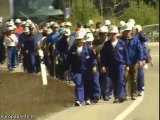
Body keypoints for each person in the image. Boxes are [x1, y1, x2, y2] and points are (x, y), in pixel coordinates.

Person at [66, 31, 97, 106]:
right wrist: (68, 69)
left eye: (80, 39)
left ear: (83, 39)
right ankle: (79, 100)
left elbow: (93, 58)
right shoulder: (72, 48)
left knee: (87, 84)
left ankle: (87, 98)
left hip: (87, 69)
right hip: (77, 70)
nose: (79, 41)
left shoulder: (88, 48)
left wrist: (94, 66)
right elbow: (68, 59)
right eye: (78, 39)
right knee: (79, 83)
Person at [101, 25, 129, 103]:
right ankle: (117, 96)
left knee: (120, 79)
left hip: (120, 64)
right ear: (109, 34)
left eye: (114, 33)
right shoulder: (107, 44)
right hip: (111, 65)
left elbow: (125, 54)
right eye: (111, 34)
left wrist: (127, 65)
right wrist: (103, 65)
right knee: (114, 81)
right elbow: (103, 56)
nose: (113, 35)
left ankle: (121, 95)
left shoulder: (121, 43)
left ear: (117, 34)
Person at [120, 23, 144, 100]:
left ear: (131, 31)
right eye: (126, 31)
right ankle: (126, 94)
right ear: (123, 32)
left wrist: (141, 59)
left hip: (134, 62)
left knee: (133, 78)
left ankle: (133, 93)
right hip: (125, 63)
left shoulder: (135, 40)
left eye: (129, 31)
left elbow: (140, 50)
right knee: (126, 78)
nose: (127, 32)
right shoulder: (120, 40)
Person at [93, 26, 111, 101]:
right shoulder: (95, 42)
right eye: (101, 34)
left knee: (106, 79)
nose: (103, 36)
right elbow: (92, 51)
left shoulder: (109, 43)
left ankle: (106, 94)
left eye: (104, 34)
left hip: (106, 64)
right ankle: (97, 95)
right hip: (97, 64)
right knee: (97, 79)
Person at [84, 32, 101, 103]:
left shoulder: (95, 48)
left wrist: (97, 65)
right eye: (87, 41)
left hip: (94, 67)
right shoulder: (83, 48)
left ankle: (97, 95)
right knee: (88, 83)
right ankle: (89, 96)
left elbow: (98, 57)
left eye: (90, 41)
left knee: (95, 81)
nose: (89, 42)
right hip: (86, 68)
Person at [134, 24, 148, 96]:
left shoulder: (141, 37)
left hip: (140, 58)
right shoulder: (133, 36)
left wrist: (144, 58)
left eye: (136, 29)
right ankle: (135, 89)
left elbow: (145, 40)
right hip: (134, 58)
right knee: (134, 75)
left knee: (140, 74)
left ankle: (140, 88)